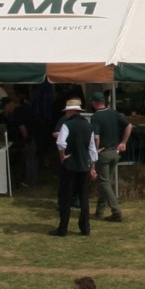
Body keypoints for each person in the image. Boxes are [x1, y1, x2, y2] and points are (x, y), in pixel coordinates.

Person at [52, 97, 98, 237]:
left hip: (70, 166)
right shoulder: (88, 125)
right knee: (84, 199)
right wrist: (92, 166)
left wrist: (62, 157)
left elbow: (60, 143)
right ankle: (85, 228)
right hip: (84, 166)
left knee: (66, 199)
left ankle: (63, 229)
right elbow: (92, 148)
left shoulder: (67, 124)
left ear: (71, 111)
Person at [90, 93, 131, 222]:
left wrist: (95, 151)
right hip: (115, 152)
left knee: (104, 183)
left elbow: (96, 137)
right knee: (107, 182)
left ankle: (116, 211)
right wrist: (124, 142)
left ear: (95, 103)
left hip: (104, 152)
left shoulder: (96, 116)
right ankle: (100, 210)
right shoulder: (115, 113)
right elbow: (129, 125)